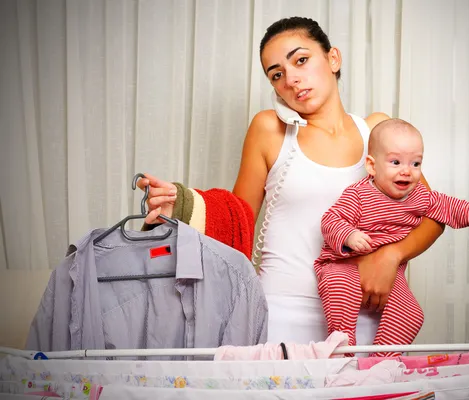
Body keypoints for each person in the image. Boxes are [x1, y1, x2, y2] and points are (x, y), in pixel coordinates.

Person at [137, 17, 445, 345]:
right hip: (281, 315)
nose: (292, 80)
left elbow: (433, 213)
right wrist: (185, 205)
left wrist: (390, 256)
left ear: (333, 59)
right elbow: (238, 220)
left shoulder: (378, 132)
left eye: (301, 60)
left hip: (368, 315)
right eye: (277, 74)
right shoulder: (269, 128)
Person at [315, 119, 469, 355]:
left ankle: (382, 363)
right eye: (395, 162)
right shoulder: (359, 195)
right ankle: (342, 351)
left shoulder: (419, 196)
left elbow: (448, 206)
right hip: (343, 264)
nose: (406, 171)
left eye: (416, 163)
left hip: (389, 270)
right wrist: (349, 235)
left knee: (411, 314)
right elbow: (330, 220)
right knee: (341, 290)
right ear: (372, 166)